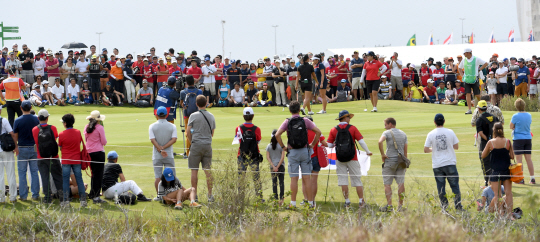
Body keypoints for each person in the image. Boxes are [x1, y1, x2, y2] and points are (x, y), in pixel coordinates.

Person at [274, 101, 322, 209]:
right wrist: (312, 144)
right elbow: (318, 132)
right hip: (305, 151)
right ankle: (310, 203)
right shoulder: (305, 120)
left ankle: (293, 204)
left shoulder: (287, 121)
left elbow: (277, 135)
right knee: (307, 178)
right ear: (299, 110)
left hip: (292, 152)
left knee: (294, 179)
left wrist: (283, 147)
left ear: (290, 110)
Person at [327, 110, 372, 208]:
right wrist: (368, 151)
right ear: (345, 118)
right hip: (353, 157)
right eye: (349, 117)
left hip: (340, 158)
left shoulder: (333, 130)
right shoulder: (352, 128)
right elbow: (361, 142)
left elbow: (329, 145)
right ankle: (361, 201)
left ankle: (347, 202)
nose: (350, 119)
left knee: (343, 181)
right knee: (357, 180)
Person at [424, 113, 462, 211]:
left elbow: (426, 149)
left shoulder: (431, 133)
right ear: (444, 121)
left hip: (437, 164)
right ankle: (458, 206)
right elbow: (456, 146)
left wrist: (434, 149)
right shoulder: (450, 132)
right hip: (450, 162)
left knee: (441, 188)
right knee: (455, 186)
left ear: (434, 122)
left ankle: (444, 207)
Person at [186, 95, 215, 202]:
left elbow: (188, 132)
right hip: (207, 144)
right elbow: (212, 133)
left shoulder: (193, 116)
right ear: (206, 103)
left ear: (196, 104)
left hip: (196, 144)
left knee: (194, 171)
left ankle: (195, 195)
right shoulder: (211, 116)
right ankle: (210, 195)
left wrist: (191, 141)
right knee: (208, 171)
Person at [481, 122, 513, 217]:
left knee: (497, 195)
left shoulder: (491, 142)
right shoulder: (507, 141)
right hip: (506, 170)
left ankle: (501, 214)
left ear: (493, 131)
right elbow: (512, 156)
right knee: (508, 193)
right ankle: (509, 215)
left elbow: (483, 155)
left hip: (495, 171)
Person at [32, 109, 63, 204]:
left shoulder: (34, 129)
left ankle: (47, 197)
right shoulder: (53, 128)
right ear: (47, 118)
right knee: (58, 176)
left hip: (41, 157)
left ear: (38, 118)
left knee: (44, 177)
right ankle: (62, 197)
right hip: (53, 156)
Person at [378, 117, 407, 212]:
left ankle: (389, 206)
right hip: (401, 161)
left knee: (387, 184)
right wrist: (405, 161)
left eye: (385, 125)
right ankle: (400, 206)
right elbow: (405, 149)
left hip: (390, 161)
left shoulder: (387, 133)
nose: (385, 127)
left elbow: (380, 141)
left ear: (390, 124)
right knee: (401, 183)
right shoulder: (403, 133)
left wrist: (382, 154)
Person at [57, 114, 87, 207]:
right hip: (76, 159)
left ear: (65, 123)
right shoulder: (77, 132)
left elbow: (60, 147)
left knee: (65, 180)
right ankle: (83, 201)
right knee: (79, 179)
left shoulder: (61, 134)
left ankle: (65, 201)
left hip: (66, 160)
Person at [13, 101, 40, 201]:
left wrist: (15, 147)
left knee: (22, 172)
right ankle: (35, 194)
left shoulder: (18, 120)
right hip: (34, 148)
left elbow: (15, 135)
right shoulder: (36, 119)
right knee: (34, 172)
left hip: (22, 148)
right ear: (31, 107)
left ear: (21, 108)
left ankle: (23, 196)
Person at [149, 106, 178, 197]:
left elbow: (152, 140)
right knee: (171, 175)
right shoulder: (172, 126)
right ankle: (172, 194)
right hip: (168, 154)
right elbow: (174, 139)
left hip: (157, 155)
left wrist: (160, 149)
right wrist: (164, 148)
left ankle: (159, 196)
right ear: (166, 114)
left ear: (157, 114)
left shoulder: (152, 126)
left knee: (157, 176)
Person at [235, 107, 263, 199]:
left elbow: (239, 141)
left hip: (242, 155)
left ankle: (240, 197)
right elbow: (258, 141)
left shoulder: (238, 128)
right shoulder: (257, 129)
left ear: (243, 116)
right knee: (256, 177)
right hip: (254, 155)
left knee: (241, 177)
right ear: (253, 116)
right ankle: (259, 197)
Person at [84, 110, 108, 204]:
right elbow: (104, 142)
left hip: (89, 153)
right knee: (98, 175)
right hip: (98, 153)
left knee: (94, 174)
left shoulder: (86, 127)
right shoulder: (99, 127)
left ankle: (92, 193)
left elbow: (86, 139)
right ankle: (96, 197)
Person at [510, 98, 534, 184]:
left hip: (518, 139)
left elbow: (511, 126)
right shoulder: (529, 115)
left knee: (519, 160)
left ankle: (521, 179)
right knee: (529, 159)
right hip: (527, 138)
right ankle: (532, 178)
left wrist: (515, 127)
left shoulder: (515, 116)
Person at [475, 100, 499, 187]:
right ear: (486, 108)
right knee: (495, 162)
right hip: (496, 143)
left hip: (485, 144)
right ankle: (497, 181)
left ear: (479, 109)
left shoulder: (479, 119)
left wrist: (489, 141)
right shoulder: (494, 117)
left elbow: (480, 133)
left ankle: (487, 182)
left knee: (485, 163)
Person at [458, 48, 488, 114]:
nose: (464, 54)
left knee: (477, 94)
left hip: (474, 79)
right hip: (467, 79)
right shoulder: (464, 60)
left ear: (469, 53)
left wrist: (479, 69)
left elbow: (486, 63)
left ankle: (485, 107)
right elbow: (459, 68)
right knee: (467, 94)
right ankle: (469, 109)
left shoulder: (476, 59)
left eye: (465, 53)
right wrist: (462, 75)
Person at [179, 75, 203, 157]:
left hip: (187, 115)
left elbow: (181, 104)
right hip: (198, 115)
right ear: (194, 81)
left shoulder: (183, 92)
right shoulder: (199, 91)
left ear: (186, 83)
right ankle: (198, 152)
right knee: (197, 133)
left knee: (188, 133)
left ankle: (189, 153)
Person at [0, 105, 18, 203]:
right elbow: (12, 133)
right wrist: (15, 146)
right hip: (6, 149)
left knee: (0, 176)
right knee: (11, 174)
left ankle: (1, 198)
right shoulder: (4, 120)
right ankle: (12, 197)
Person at [266, 129, 285, 205]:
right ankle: (282, 199)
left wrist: (273, 166)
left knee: (274, 183)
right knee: (281, 183)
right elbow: (282, 157)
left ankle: (275, 199)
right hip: (280, 166)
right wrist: (278, 166)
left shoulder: (269, 146)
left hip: (273, 167)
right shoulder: (281, 145)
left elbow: (268, 157)